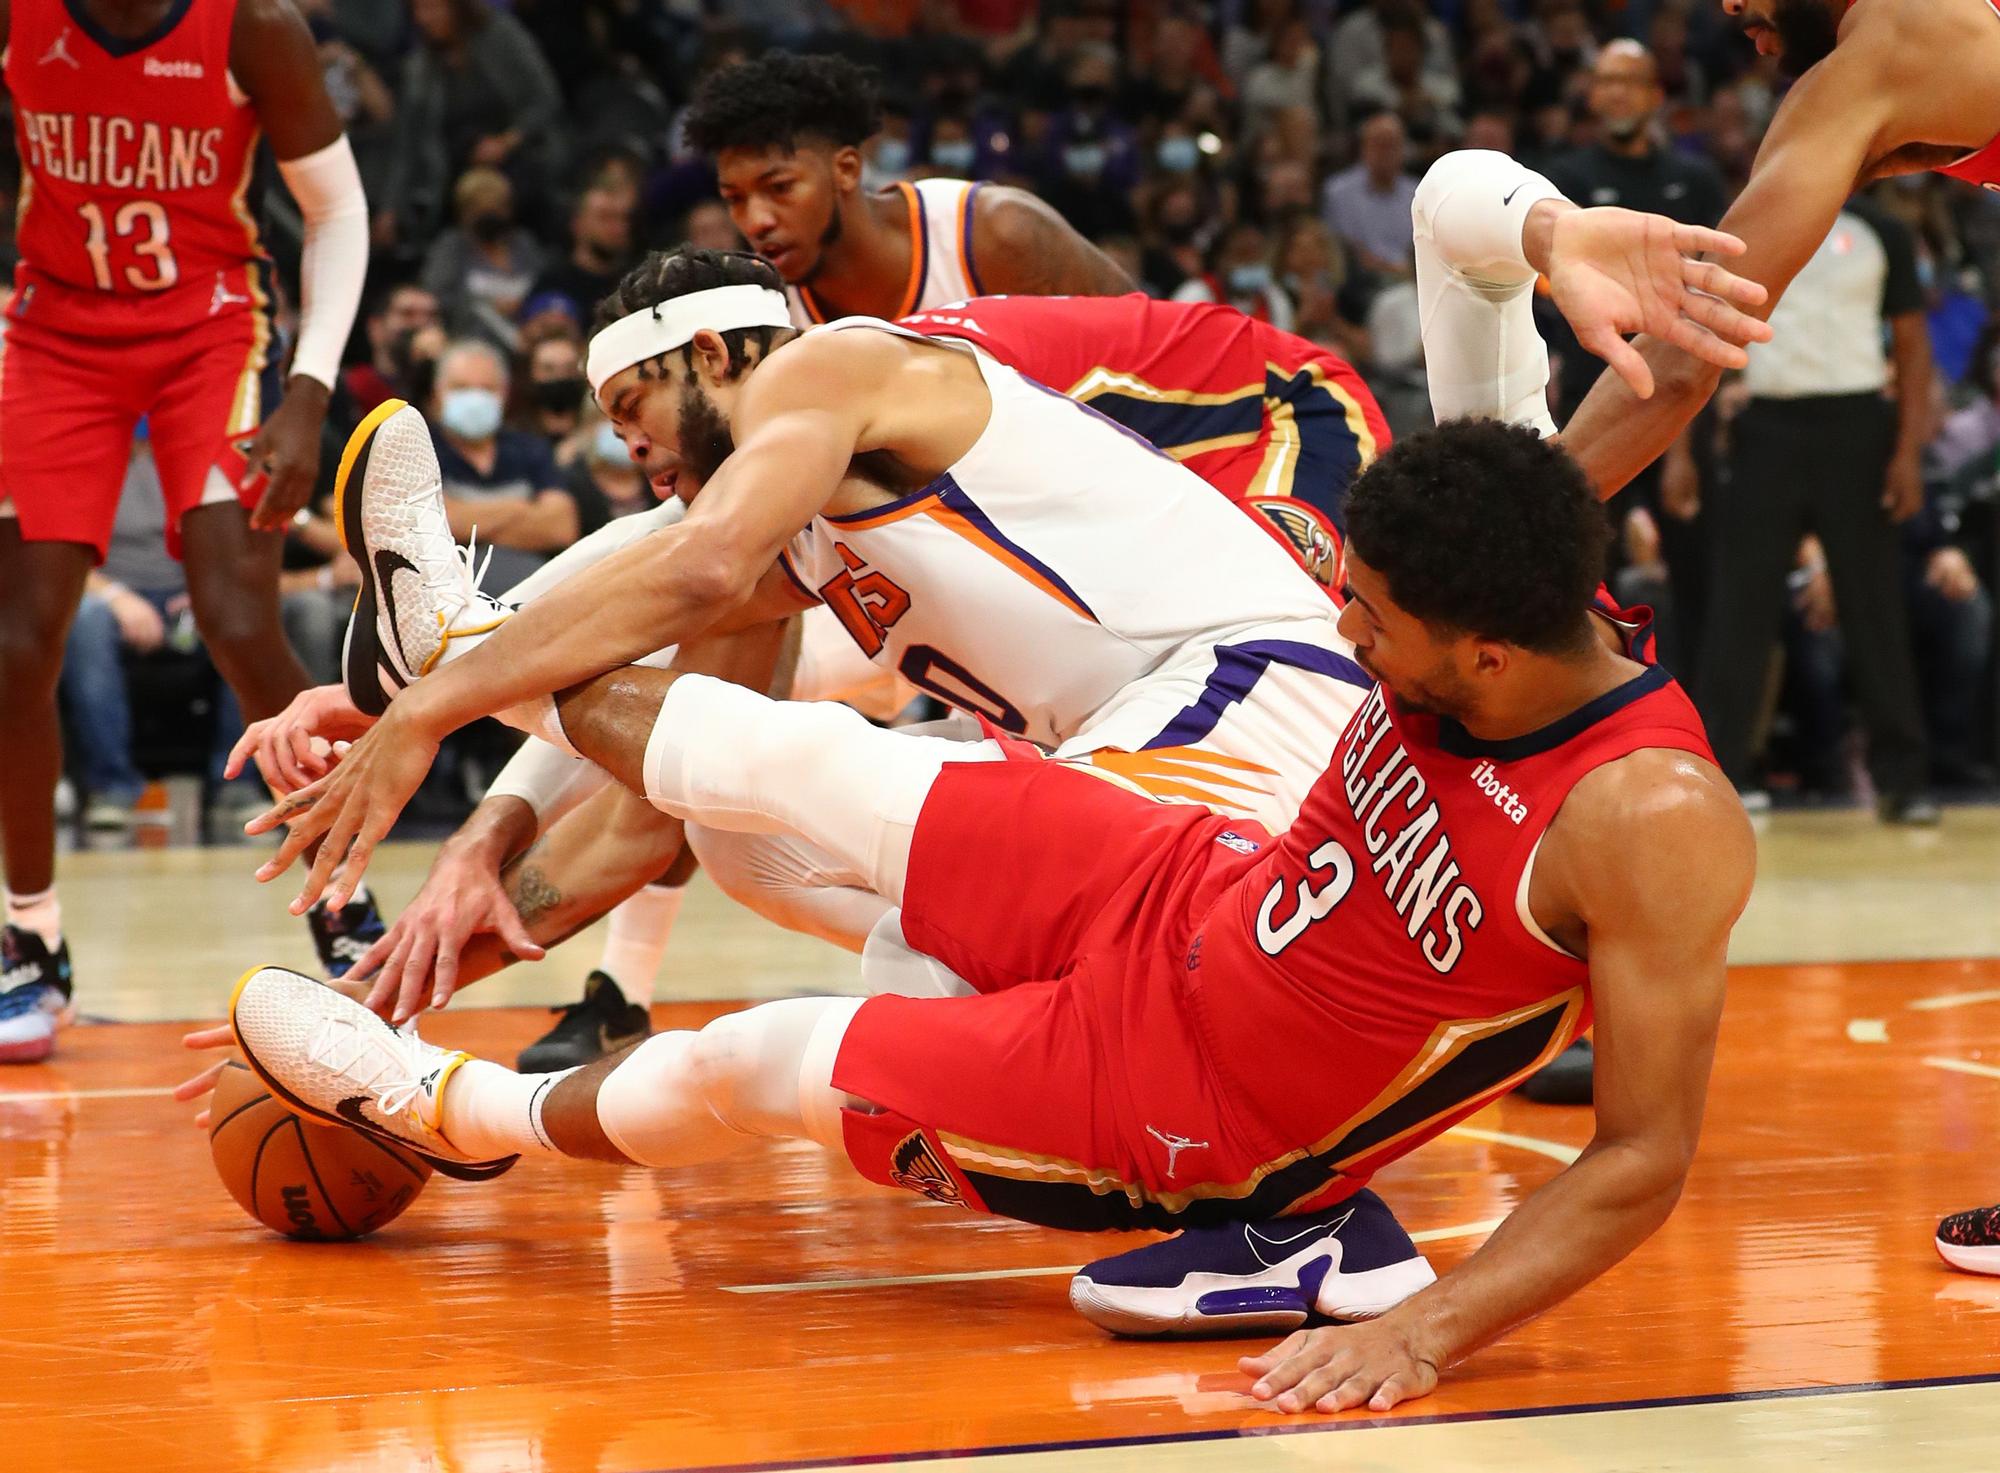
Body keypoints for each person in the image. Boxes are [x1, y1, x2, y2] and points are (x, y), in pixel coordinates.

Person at [222, 405, 1754, 1411]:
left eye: (1368, 616)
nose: (1342, 627)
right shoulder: (1521, 594)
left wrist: (1428, 1333)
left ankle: (449, 1111)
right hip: (1184, 885)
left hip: (1191, 1098)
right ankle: (446, 649)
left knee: (763, 1056)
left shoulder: (1651, 823)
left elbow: (1641, 1157)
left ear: (1487, 654)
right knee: (803, 759)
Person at [313, 285, 1398, 1070]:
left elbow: (691, 565)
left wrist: (433, 696)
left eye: (629, 410)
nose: (630, 449)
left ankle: (443, 642)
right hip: (1132, 744)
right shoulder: (806, 531)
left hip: (1255, 693)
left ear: (706, 354)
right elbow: (634, 765)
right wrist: (377, 995)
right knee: (741, 840)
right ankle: (1068, 1003)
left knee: (867, 1003)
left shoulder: (825, 365)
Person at [0, 0, 370, 1060]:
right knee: (19, 643)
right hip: (54, 330)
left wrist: (307, 392)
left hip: (208, 326)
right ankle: (32, 935)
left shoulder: (253, 28)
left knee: (237, 618)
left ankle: (342, 898)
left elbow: (335, 212)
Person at [1696, 195, 1937, 822]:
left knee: (1874, 603)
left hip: (1858, 424)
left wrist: (1908, 452)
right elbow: (1704, 325)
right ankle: (1722, 776)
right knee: (1741, 605)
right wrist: (1683, 450)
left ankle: (1902, 781)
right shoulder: (1752, 221)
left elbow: (1911, 345)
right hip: (1767, 423)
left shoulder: (1884, 227)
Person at [687, 52, 1134, 326]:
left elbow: (1153, 347)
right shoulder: (769, 314)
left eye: (780, 188)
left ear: (846, 169)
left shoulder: (994, 233)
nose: (756, 221)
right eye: (735, 199)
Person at [427, 339, 580, 591]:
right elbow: (432, 527)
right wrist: (521, 509)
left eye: (487, 389)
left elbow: (561, 527)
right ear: (437, 393)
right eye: (461, 388)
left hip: (531, 598)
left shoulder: (531, 449)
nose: (474, 399)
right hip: (445, 600)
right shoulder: (421, 450)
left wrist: (464, 519)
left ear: (505, 395)